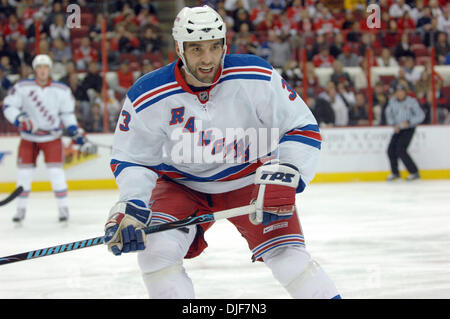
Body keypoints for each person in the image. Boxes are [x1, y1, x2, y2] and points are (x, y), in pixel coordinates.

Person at [103, 5, 341, 299]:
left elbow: (301, 125)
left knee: (288, 256)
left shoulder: (255, 74)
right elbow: (132, 158)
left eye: (215, 47)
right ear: (179, 49)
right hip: (182, 186)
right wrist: (132, 206)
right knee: (156, 254)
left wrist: (288, 170)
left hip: (249, 180)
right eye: (196, 49)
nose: (208, 59)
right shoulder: (147, 94)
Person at [1, 54, 86, 223]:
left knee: (56, 173)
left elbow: (67, 113)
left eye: (45, 67)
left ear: (49, 69)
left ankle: (63, 207)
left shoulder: (61, 89)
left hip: (52, 138)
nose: (42, 71)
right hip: (29, 138)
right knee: (24, 174)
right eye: (39, 68)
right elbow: (9, 106)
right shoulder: (22, 87)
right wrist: (19, 119)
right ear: (35, 70)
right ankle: (20, 209)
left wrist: (74, 130)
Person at [385, 84, 425, 181]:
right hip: (398, 128)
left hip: (408, 129)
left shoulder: (411, 102)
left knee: (401, 149)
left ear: (405, 92)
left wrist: (410, 122)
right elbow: (388, 114)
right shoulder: (392, 102)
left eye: (401, 92)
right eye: (398, 92)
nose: (399, 94)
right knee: (390, 150)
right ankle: (395, 173)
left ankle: (414, 172)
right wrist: (393, 124)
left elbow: (421, 115)